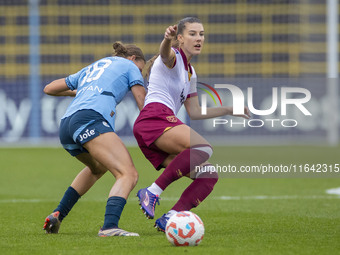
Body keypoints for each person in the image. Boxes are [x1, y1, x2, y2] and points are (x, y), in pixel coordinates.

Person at [133, 17, 250, 232]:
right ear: (180, 38)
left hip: (158, 125)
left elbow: (194, 112)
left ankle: (170, 217)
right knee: (203, 148)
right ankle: (152, 192)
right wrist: (166, 40)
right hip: (155, 118)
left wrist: (228, 109)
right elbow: (165, 53)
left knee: (208, 176)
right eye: (193, 34)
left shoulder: (191, 73)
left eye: (202, 34)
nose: (199, 39)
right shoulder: (173, 57)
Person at [42, 42, 146, 237]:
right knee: (128, 174)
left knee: (98, 167)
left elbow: (49, 88)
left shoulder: (93, 67)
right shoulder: (130, 66)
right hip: (91, 119)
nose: (139, 74)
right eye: (140, 69)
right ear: (133, 59)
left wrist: (84, 91)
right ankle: (109, 227)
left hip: (67, 125)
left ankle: (58, 214)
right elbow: (143, 103)